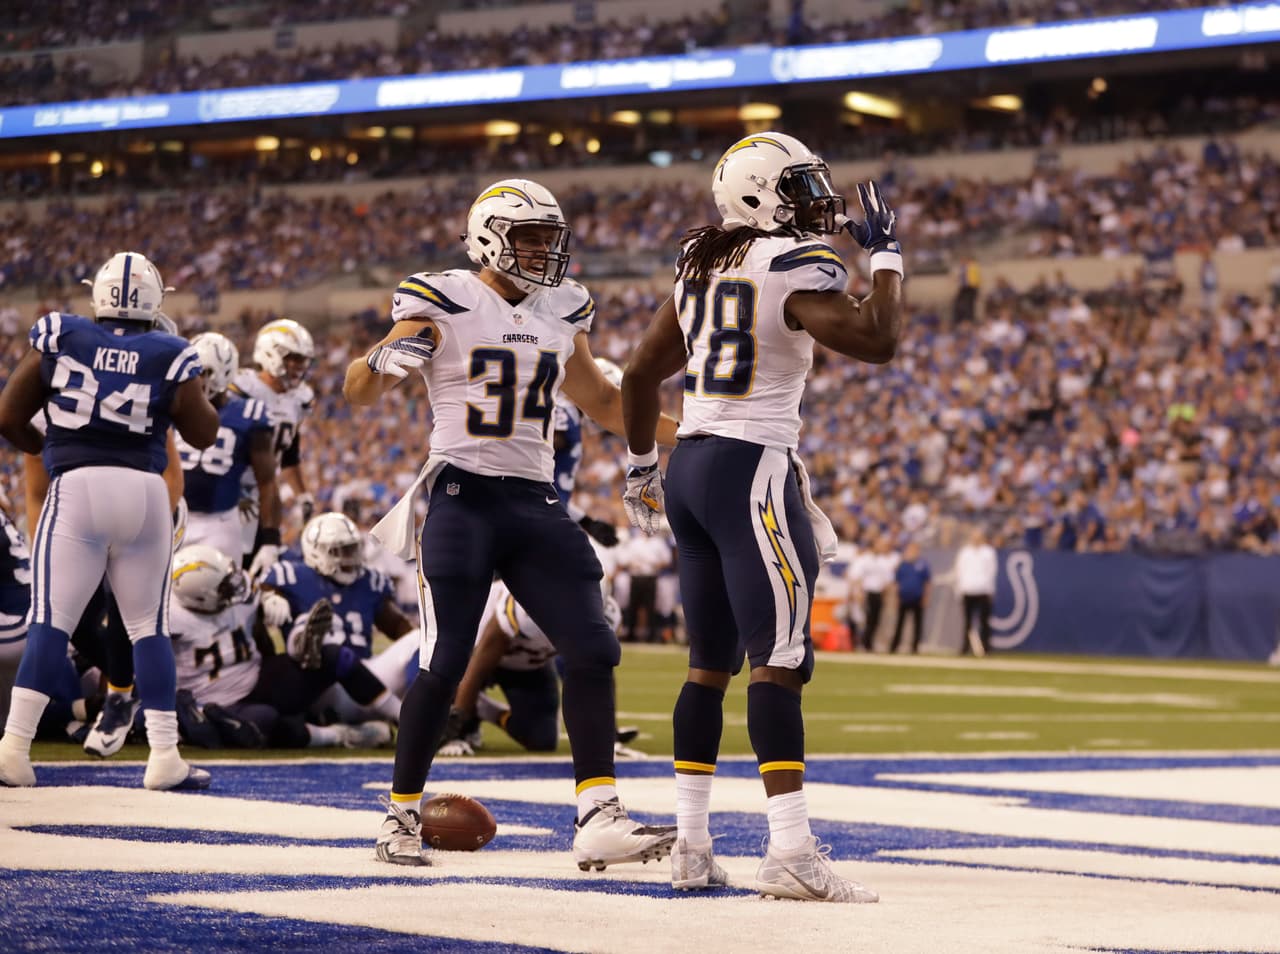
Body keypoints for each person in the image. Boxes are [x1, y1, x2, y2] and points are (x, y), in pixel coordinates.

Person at [344, 177, 681, 869]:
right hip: (461, 497)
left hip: (534, 501)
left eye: (548, 239)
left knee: (592, 647)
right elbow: (359, 389)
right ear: (489, 236)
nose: (541, 251)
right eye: (529, 237)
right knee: (442, 661)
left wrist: (704, 433)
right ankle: (400, 816)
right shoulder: (443, 295)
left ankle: (597, 815)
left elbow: (607, 405)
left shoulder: (565, 307)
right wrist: (382, 362)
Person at [621, 131, 904, 900]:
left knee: (706, 669)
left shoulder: (700, 266)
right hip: (751, 469)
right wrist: (887, 259)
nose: (819, 201)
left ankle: (690, 844)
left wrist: (643, 463)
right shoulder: (793, 266)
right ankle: (789, 850)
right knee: (778, 662)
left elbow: (643, 372)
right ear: (757, 194)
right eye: (801, 186)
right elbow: (879, 340)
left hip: (692, 470)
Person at [0, 250, 219, 790]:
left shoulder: (62, 335)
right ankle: (165, 756)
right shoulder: (171, 351)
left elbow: (7, 414)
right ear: (155, 301)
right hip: (144, 491)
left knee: (52, 621)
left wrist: (51, 449)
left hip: (76, 486)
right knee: (150, 628)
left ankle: (13, 749)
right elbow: (204, 434)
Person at [168, 543, 394, 749]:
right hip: (219, 703)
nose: (235, 586)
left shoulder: (235, 588)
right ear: (199, 598)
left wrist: (269, 598)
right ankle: (340, 735)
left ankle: (404, 715)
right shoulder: (171, 619)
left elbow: (257, 588)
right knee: (268, 722)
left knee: (334, 655)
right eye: (225, 587)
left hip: (258, 676)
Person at [258, 511, 409, 727]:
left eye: (351, 549)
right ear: (315, 552)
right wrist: (270, 596)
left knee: (422, 641)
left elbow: (398, 627)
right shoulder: (290, 575)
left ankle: (436, 711)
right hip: (320, 684)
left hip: (370, 678)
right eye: (339, 551)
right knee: (316, 638)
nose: (349, 557)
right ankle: (379, 725)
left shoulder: (370, 581)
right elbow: (259, 596)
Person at [176, 331, 282, 578]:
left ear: (224, 372)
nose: (197, 380)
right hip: (172, 517)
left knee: (220, 597)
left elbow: (267, 482)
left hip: (219, 523)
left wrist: (270, 538)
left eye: (204, 372)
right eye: (193, 372)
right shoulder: (176, 404)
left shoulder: (249, 414)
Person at [228, 318, 316, 544]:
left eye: (303, 360)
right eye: (293, 358)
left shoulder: (299, 399)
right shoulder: (240, 389)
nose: (300, 366)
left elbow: (289, 453)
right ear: (270, 354)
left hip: (264, 494)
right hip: (227, 489)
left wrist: (302, 494)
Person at [955, 527, 998, 656]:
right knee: (967, 622)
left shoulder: (988, 552)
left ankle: (986, 647)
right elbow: (959, 571)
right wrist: (959, 590)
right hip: (967, 589)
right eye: (974, 536)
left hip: (983, 590)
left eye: (978, 536)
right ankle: (965, 647)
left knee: (984, 621)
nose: (976, 539)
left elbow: (992, 571)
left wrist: (990, 589)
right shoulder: (964, 552)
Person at [890, 542, 930, 654]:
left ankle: (915, 647)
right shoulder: (902, 565)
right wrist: (896, 598)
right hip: (904, 598)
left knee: (918, 625)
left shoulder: (923, 565)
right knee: (899, 623)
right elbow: (896, 583)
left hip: (917, 598)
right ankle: (894, 646)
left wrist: (926, 597)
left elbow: (927, 583)